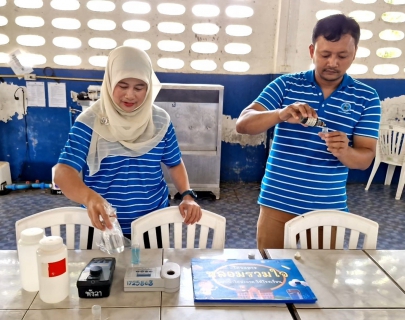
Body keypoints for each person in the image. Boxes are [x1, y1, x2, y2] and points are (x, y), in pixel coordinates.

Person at [235, 14, 381, 250]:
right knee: (272, 274)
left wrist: (344, 151)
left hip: (328, 207)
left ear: (354, 54)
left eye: (342, 56)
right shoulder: (286, 84)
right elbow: (243, 124)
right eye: (325, 55)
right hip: (277, 201)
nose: (333, 62)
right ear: (312, 50)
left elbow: (365, 159)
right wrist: (280, 114)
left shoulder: (366, 97)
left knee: (321, 278)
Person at [54, 46, 202, 241]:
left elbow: (174, 162)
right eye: (122, 86)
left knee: (154, 270)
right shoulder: (90, 122)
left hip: (152, 223)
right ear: (109, 82)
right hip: (103, 224)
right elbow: (63, 171)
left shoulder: (160, 121)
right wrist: (88, 198)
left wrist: (187, 195)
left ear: (149, 87)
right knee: (103, 271)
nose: (130, 95)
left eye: (139, 88)